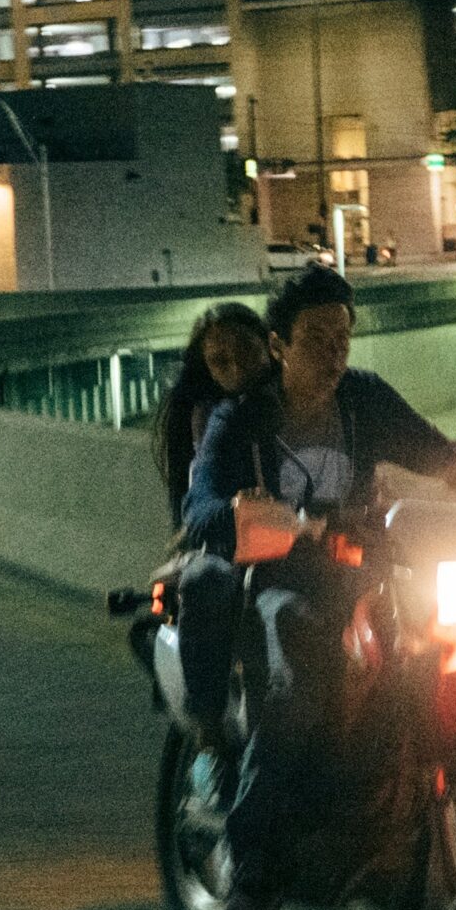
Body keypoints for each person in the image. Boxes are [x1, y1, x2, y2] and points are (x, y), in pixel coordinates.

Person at [180, 267, 456, 891]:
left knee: (432, 664)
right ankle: (245, 843)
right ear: (279, 345)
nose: (334, 354)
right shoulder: (241, 419)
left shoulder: (364, 399)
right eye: (316, 339)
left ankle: (387, 809)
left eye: (342, 338)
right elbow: (198, 506)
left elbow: (441, 455)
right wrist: (240, 514)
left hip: (368, 573)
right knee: (300, 681)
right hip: (283, 577)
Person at [152, 303, 273, 731]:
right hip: (230, 543)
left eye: (246, 352)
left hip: (295, 540)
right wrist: (232, 509)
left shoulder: (300, 398)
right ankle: (207, 729)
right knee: (207, 580)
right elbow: (199, 496)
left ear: (271, 345)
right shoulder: (215, 418)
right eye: (220, 361)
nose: (237, 368)